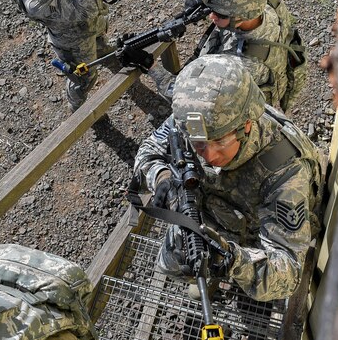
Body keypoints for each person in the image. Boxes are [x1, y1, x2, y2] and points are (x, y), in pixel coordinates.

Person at [133, 54, 323, 301]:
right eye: (198, 144)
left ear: (246, 125)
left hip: (261, 230)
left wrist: (232, 259)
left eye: (220, 142)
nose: (209, 155)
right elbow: (149, 151)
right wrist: (162, 178)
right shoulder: (198, 118)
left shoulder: (284, 172)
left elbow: (287, 275)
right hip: (223, 209)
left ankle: (223, 273)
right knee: (171, 261)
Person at [149, 0, 304, 111]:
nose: (211, 16)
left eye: (219, 14)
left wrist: (152, 68)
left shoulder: (239, 65)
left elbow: (192, 99)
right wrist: (205, 1)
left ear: (241, 17)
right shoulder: (265, 1)